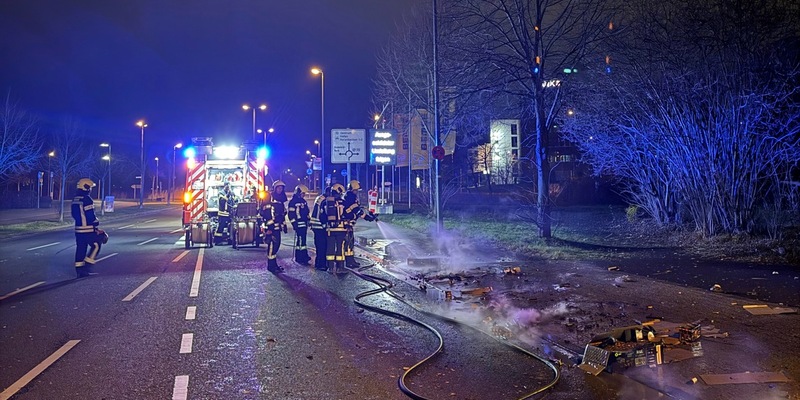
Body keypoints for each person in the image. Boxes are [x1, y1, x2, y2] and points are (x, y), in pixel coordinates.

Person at [342, 179, 377, 268]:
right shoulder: (351, 197)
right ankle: (349, 262)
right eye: (356, 190)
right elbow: (356, 210)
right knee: (349, 243)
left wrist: (368, 213)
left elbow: (357, 208)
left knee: (350, 243)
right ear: (353, 189)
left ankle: (350, 260)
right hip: (347, 223)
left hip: (347, 223)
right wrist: (367, 218)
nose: (357, 192)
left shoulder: (348, 196)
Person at [72, 178, 101, 277]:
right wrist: (96, 223)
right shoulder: (87, 199)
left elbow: (74, 214)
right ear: (86, 188)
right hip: (87, 229)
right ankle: (87, 266)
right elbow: (90, 215)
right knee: (96, 245)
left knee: (81, 248)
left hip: (78, 229)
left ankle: (79, 271)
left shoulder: (75, 199)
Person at [262, 180, 288, 272]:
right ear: (275, 188)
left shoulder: (280, 199)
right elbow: (267, 213)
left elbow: (282, 214)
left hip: (277, 227)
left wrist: (284, 225)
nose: (280, 190)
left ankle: (274, 265)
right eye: (278, 188)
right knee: (272, 246)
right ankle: (271, 266)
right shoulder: (270, 198)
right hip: (272, 228)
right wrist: (269, 228)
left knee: (276, 245)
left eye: (281, 188)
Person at [321, 183, 347, 272]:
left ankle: (330, 267)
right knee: (340, 247)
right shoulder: (343, 202)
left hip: (330, 229)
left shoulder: (325, 202)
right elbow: (347, 214)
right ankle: (340, 267)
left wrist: (325, 226)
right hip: (341, 229)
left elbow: (322, 216)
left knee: (330, 247)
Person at [288, 184, 312, 265]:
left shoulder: (303, 201)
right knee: (300, 241)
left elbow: (307, 212)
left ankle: (303, 255)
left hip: (304, 224)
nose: (303, 195)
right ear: (298, 192)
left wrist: (309, 220)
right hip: (298, 224)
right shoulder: (292, 202)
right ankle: (300, 257)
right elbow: (291, 214)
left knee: (303, 241)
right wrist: (294, 224)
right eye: (302, 193)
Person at [309, 186, 330, 271]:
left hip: (315, 225)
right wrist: (326, 227)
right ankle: (321, 265)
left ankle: (318, 263)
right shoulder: (324, 200)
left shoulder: (320, 198)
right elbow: (323, 215)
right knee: (322, 246)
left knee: (319, 246)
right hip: (320, 226)